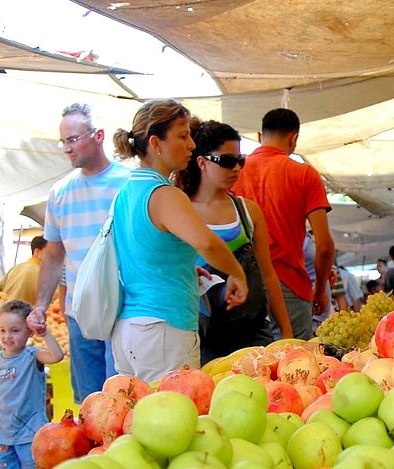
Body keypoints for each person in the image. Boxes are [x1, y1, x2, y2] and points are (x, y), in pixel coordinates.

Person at [110, 99, 248, 382]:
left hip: (129, 329)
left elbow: (144, 254)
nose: (191, 145)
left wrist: (183, 269)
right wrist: (238, 273)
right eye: (182, 136)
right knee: (173, 418)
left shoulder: (126, 192)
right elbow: (207, 243)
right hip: (163, 328)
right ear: (156, 143)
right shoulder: (165, 194)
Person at [27, 103, 131, 403]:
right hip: (78, 313)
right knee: (88, 401)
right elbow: (53, 254)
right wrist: (41, 305)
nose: (66, 149)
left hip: (122, 308)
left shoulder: (129, 182)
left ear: (98, 136)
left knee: (119, 398)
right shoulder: (60, 192)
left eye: (72, 139)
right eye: (63, 142)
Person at [176, 119, 293, 364]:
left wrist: (286, 331)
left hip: (251, 328)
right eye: (227, 161)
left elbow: (267, 273)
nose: (237, 169)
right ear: (202, 163)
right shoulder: (179, 210)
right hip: (202, 332)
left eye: (240, 160)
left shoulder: (248, 211)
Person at [234, 108, 334, 340]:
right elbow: (325, 246)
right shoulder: (304, 174)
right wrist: (319, 290)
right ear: (294, 139)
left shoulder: (234, 172)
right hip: (290, 284)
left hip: (244, 283)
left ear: (260, 135)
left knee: (248, 365)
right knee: (295, 365)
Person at [0, 299, 63, 469]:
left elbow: (57, 356)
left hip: (29, 433)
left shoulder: (32, 356)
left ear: (29, 332)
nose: (7, 336)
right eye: (2, 330)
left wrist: (44, 333)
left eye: (15, 330)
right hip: (3, 433)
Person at [0, 236, 46, 304]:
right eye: (50, 252)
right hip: (26, 313)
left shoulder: (15, 268)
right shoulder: (43, 273)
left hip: (5, 311)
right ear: (37, 252)